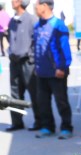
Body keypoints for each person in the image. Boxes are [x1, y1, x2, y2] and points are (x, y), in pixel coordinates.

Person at [33, 0, 73, 139]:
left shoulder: (58, 25)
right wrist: (36, 67)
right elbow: (37, 48)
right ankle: (47, 126)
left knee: (61, 101)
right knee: (42, 102)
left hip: (57, 71)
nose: (35, 8)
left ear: (44, 6)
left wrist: (62, 67)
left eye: (36, 5)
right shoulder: (37, 25)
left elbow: (64, 49)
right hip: (41, 72)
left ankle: (66, 127)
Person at [6, 0, 40, 132]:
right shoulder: (11, 21)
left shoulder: (32, 20)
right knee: (14, 94)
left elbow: (36, 42)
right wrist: (10, 53)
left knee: (34, 93)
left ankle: (39, 121)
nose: (12, 2)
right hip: (14, 63)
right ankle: (17, 122)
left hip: (27, 62)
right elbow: (10, 39)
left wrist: (31, 58)